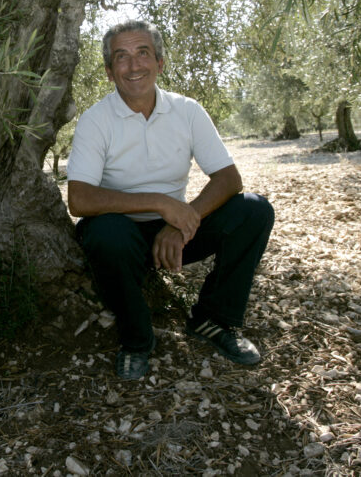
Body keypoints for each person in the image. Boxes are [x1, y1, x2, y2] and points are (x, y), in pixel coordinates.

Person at [66, 21, 274, 380]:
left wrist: (182, 221)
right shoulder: (95, 120)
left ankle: (213, 320)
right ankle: (136, 341)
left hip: (176, 232)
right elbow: (79, 200)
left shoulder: (187, 111)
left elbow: (229, 179)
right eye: (122, 57)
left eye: (143, 53)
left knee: (254, 211)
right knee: (104, 233)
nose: (134, 66)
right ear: (108, 72)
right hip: (122, 237)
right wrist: (160, 202)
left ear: (160, 63)